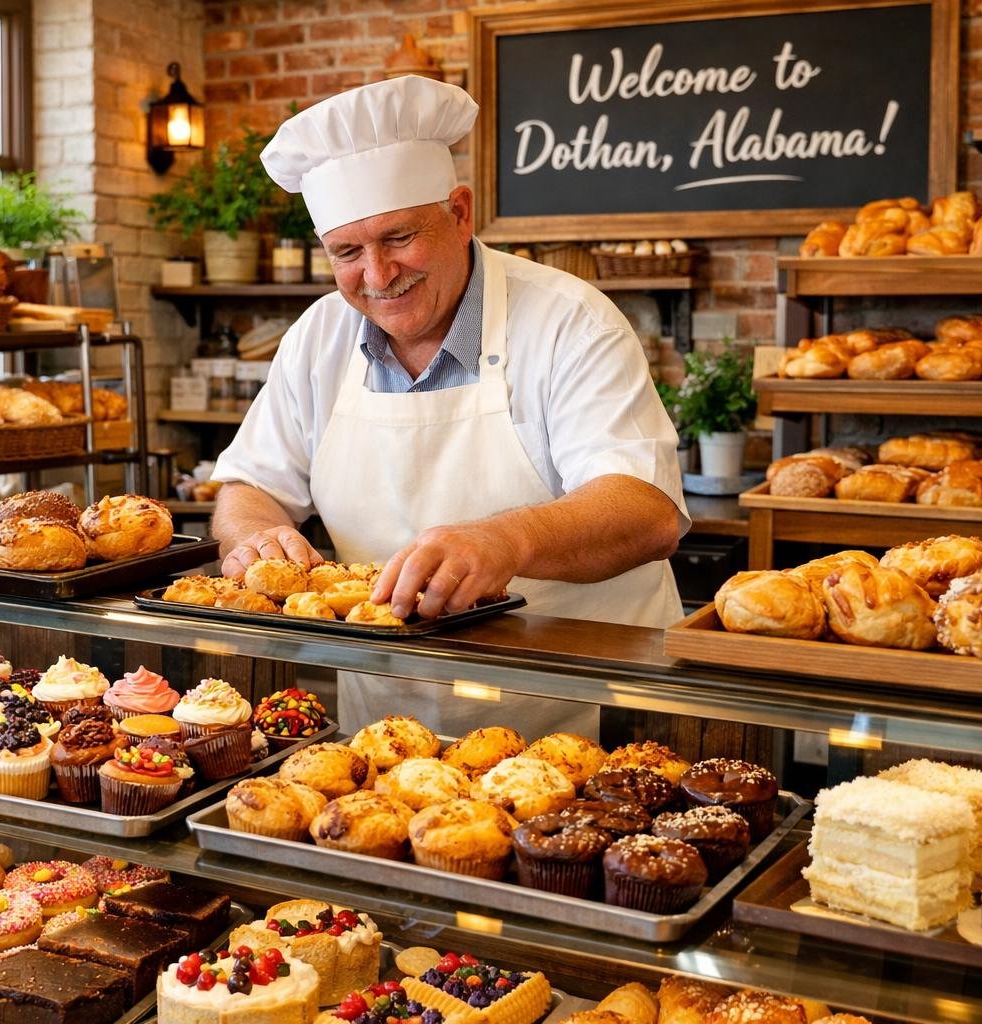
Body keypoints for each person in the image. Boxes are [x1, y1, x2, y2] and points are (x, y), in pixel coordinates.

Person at [210, 76, 689, 733]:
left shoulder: (569, 320)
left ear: (460, 214)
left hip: (587, 715)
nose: (377, 276)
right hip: (389, 733)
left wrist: (505, 539)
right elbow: (246, 487)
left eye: (399, 238)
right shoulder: (319, 337)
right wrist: (256, 535)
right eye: (348, 252)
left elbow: (647, 511)